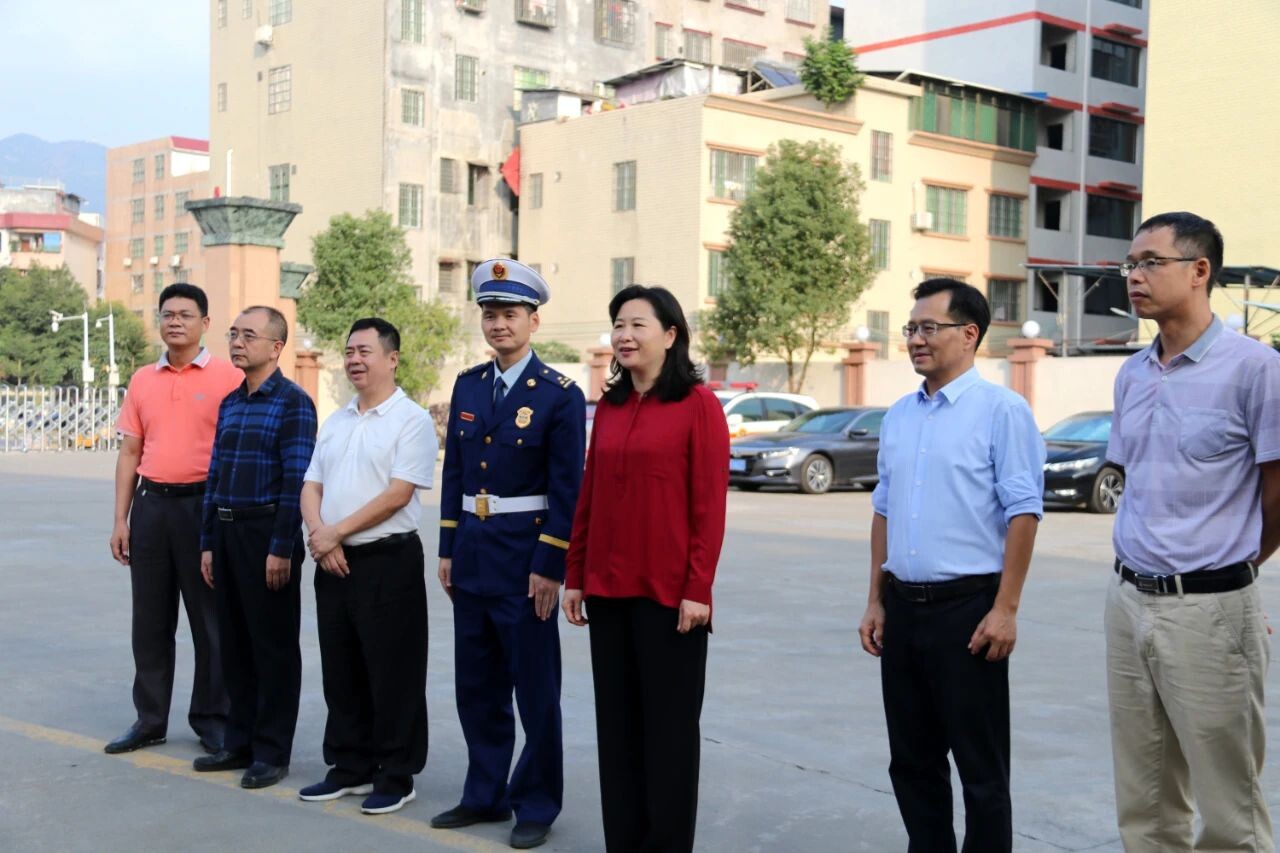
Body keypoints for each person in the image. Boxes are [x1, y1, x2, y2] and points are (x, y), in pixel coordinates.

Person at [1105, 212, 1280, 852]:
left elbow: (1276, 492)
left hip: (1209, 609)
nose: (1135, 276)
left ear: (1199, 270)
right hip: (1127, 601)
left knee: (1230, 806)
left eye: (1151, 261)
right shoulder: (1132, 374)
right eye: (1131, 264)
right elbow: (1136, 481)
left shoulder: (1256, 370)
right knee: (1145, 798)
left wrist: (1233, 575)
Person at [857, 278, 1045, 853]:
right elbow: (884, 511)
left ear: (969, 335)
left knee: (981, 769)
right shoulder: (899, 416)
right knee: (911, 762)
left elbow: (1024, 512)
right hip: (905, 609)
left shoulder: (1002, 411)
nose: (915, 338)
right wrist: (875, 599)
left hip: (969, 611)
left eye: (928, 327)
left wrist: (1005, 609)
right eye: (911, 328)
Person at [562, 284, 729, 853]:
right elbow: (589, 499)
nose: (624, 335)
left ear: (671, 335)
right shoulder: (607, 408)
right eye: (618, 325)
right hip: (609, 594)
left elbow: (709, 507)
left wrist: (697, 589)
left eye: (638, 324)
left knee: (670, 736)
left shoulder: (698, 405)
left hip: (670, 600)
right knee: (619, 733)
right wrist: (576, 574)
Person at [431, 259, 586, 850]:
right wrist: (447, 546)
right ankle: (484, 793)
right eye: (490, 314)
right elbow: (455, 476)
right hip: (471, 556)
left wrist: (550, 565)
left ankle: (538, 802)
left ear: (534, 320)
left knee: (535, 689)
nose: (499, 324)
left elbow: (569, 487)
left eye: (510, 314)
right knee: (477, 685)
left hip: (526, 563)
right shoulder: (469, 384)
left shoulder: (558, 395)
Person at [297, 317, 436, 815]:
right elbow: (311, 484)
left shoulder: (411, 420)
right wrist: (321, 534)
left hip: (386, 561)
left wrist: (337, 531)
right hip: (331, 562)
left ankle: (396, 774)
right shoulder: (336, 420)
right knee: (341, 667)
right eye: (350, 351)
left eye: (366, 351)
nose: (355, 359)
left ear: (392, 358)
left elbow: (399, 493)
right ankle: (349, 765)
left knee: (392, 670)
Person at [105, 283, 243, 756]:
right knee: (150, 620)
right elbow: (129, 451)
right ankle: (149, 718)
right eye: (167, 314)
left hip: (203, 507)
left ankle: (212, 719)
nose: (175, 322)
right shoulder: (143, 378)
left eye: (186, 314)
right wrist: (121, 519)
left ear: (206, 323)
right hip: (152, 508)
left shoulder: (229, 377)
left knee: (210, 621)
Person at [193, 306, 317, 790]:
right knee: (235, 644)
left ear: (276, 347)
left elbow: (296, 481)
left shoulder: (293, 403)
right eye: (233, 334)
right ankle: (237, 740)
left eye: (249, 335)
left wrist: (282, 546)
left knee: (273, 648)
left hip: (267, 535)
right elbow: (215, 476)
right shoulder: (231, 403)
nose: (238, 342)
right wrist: (207, 542)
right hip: (226, 533)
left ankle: (271, 750)